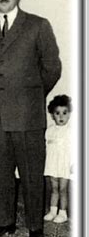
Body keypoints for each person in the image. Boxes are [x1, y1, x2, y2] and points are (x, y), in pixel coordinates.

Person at [0, 0, 62, 237]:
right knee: (0, 174)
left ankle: (36, 227)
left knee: (31, 175)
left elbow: (52, 68)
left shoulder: (37, 25)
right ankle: (4, 221)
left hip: (28, 116)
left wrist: (33, 95)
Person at [43, 95, 72, 224]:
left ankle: (63, 212)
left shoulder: (71, 131)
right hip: (53, 163)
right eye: (57, 113)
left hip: (65, 163)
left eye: (64, 113)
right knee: (54, 188)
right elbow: (46, 147)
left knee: (62, 189)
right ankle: (53, 210)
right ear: (52, 115)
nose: (61, 117)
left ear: (69, 114)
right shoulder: (49, 131)